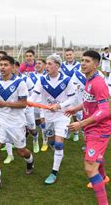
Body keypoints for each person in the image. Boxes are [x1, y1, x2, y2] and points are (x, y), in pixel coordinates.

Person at [67, 50, 111, 205]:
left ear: (96, 64)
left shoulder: (98, 83)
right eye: (82, 60)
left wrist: (81, 124)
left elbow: (105, 111)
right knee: (95, 160)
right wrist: (75, 109)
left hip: (99, 130)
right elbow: (89, 101)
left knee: (90, 168)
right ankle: (104, 177)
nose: (83, 63)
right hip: (91, 128)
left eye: (87, 61)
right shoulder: (89, 79)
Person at [0, 55, 35, 194]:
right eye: (0, 65)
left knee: (21, 151)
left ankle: (30, 160)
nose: (2, 67)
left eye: (6, 65)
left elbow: (23, 104)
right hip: (1, 120)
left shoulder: (20, 83)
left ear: (13, 67)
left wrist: (5, 103)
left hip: (17, 123)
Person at [29, 54, 76, 185]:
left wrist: (59, 106)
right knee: (51, 143)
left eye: (50, 64)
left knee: (59, 144)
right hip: (48, 116)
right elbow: (34, 96)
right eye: (47, 63)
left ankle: (54, 172)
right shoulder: (42, 80)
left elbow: (72, 98)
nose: (47, 66)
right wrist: (27, 103)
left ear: (58, 66)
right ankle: (58, 154)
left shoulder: (67, 80)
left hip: (62, 114)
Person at [61, 48, 81, 141]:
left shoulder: (79, 65)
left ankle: (76, 132)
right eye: (67, 55)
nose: (69, 56)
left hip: (76, 93)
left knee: (75, 113)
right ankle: (68, 130)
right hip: (65, 92)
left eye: (70, 54)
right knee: (66, 112)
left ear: (74, 55)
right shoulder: (62, 65)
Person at [29, 59, 48, 151]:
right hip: (33, 103)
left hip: (43, 103)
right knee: (34, 124)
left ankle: (45, 142)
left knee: (43, 122)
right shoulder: (30, 75)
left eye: (40, 63)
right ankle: (35, 141)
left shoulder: (47, 76)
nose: (37, 65)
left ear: (44, 65)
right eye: (36, 63)